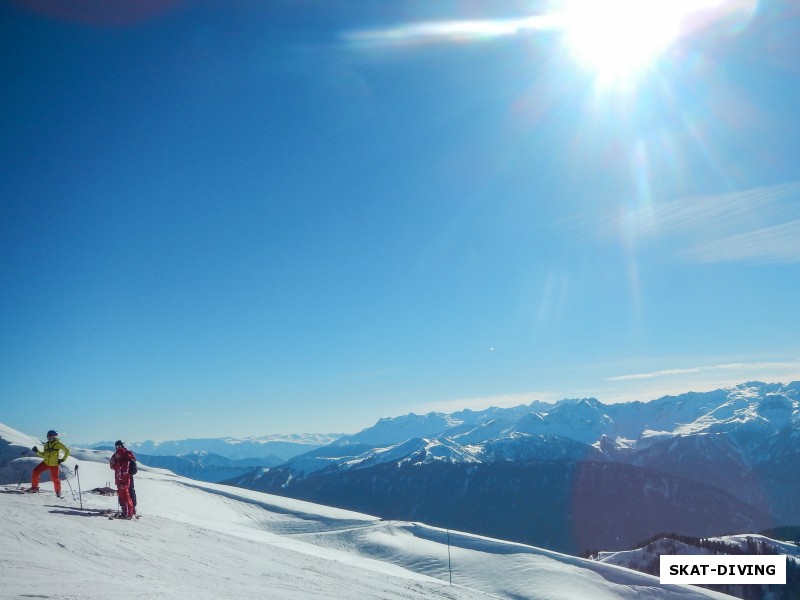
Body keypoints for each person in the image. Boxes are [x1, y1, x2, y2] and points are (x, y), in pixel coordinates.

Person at [30, 430, 70, 496]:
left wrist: (62, 459)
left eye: (50, 435)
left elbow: (67, 451)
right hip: (45, 462)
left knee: (55, 478)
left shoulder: (58, 444)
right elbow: (44, 454)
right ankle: (34, 488)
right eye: (48, 436)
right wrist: (37, 451)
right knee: (35, 471)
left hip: (54, 464)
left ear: (54, 436)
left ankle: (58, 492)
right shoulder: (46, 444)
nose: (48, 437)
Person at [110, 440, 137, 518]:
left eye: (119, 446)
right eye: (116, 446)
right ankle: (124, 507)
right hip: (120, 476)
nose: (117, 447)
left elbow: (132, 461)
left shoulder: (127, 453)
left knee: (130, 491)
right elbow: (112, 465)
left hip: (127, 476)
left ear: (122, 445)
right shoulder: (117, 455)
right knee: (122, 492)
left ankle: (132, 508)